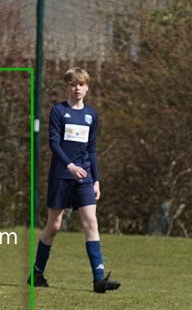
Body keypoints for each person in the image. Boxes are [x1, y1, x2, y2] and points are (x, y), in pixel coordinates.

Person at [29, 67, 120, 293]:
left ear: (87, 87)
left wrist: (96, 179)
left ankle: (99, 279)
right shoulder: (59, 110)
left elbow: (91, 149)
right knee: (54, 226)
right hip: (61, 175)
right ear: (67, 86)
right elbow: (54, 143)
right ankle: (37, 273)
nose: (77, 88)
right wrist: (69, 166)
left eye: (81, 84)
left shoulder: (91, 115)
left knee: (91, 222)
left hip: (85, 178)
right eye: (73, 84)